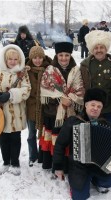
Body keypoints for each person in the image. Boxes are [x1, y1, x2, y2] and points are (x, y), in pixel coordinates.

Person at [53, 88, 111, 200]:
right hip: (78, 167)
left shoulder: (104, 124)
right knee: (80, 197)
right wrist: (58, 167)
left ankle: (95, 180)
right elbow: (60, 145)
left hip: (98, 166)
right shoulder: (73, 122)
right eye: (93, 105)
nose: (95, 108)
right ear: (86, 105)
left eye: (99, 106)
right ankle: (79, 184)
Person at [0, 44, 31, 176]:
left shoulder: (22, 73)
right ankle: (6, 162)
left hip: (16, 113)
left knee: (15, 138)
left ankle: (15, 162)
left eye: (16, 59)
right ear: (5, 58)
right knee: (2, 137)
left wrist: (11, 94)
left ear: (19, 59)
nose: (13, 62)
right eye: (10, 59)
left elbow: (27, 90)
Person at [39, 42, 85, 171]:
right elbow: (46, 91)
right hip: (54, 114)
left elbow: (80, 90)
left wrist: (70, 99)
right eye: (61, 55)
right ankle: (55, 165)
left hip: (71, 112)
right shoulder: (50, 70)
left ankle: (69, 166)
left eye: (66, 55)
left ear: (70, 55)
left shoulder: (76, 70)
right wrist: (60, 99)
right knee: (56, 140)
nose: (64, 58)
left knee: (69, 140)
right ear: (56, 55)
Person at [80, 30, 111, 129]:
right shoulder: (85, 65)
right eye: (96, 48)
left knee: (108, 137)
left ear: (106, 48)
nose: (99, 50)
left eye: (102, 47)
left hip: (109, 110)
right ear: (92, 49)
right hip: (91, 111)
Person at [26, 46, 52, 167]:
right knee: (31, 134)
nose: (37, 60)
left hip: (44, 106)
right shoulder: (26, 70)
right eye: (35, 58)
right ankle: (32, 155)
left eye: (40, 57)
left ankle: (43, 154)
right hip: (31, 107)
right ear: (31, 58)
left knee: (44, 133)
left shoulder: (49, 69)